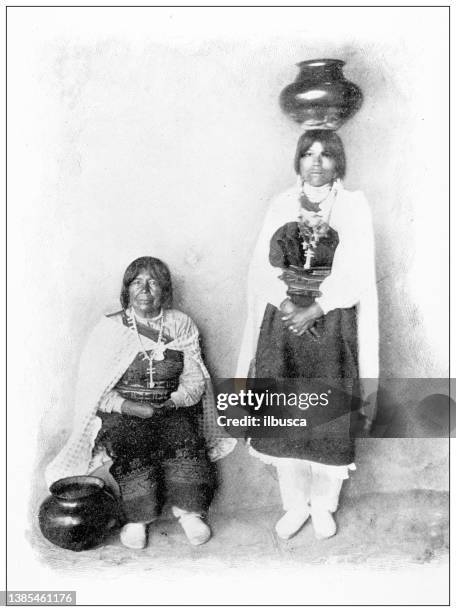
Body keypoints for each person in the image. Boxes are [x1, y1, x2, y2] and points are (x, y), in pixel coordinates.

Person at [236, 130, 378, 540]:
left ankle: (323, 505)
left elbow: (358, 271)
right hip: (283, 328)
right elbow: (261, 268)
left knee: (326, 416)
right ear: (297, 161)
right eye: (308, 154)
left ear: (339, 162)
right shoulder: (281, 204)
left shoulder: (352, 207)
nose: (316, 162)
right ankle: (295, 505)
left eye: (326, 155)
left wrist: (316, 306)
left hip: (330, 326)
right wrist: (287, 305)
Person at [46, 256, 235, 549]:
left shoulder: (180, 324)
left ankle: (189, 514)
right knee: (131, 442)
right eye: (137, 282)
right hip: (124, 412)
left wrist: (172, 404)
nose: (145, 289)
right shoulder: (110, 329)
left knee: (186, 437)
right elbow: (94, 391)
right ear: (127, 290)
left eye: (154, 282)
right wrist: (131, 407)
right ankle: (137, 520)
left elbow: (195, 379)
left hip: (171, 408)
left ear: (165, 290)